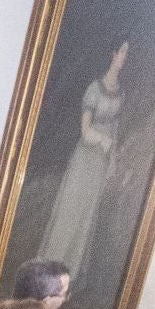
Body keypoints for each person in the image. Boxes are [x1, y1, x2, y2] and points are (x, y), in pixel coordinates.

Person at [38, 41, 129, 282]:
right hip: (85, 158)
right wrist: (103, 141)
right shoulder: (94, 90)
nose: (124, 58)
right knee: (71, 211)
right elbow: (85, 131)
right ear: (113, 54)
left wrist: (111, 160)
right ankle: (49, 274)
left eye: (127, 54)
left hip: (99, 164)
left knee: (86, 217)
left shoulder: (120, 92)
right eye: (122, 52)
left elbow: (116, 131)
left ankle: (69, 276)